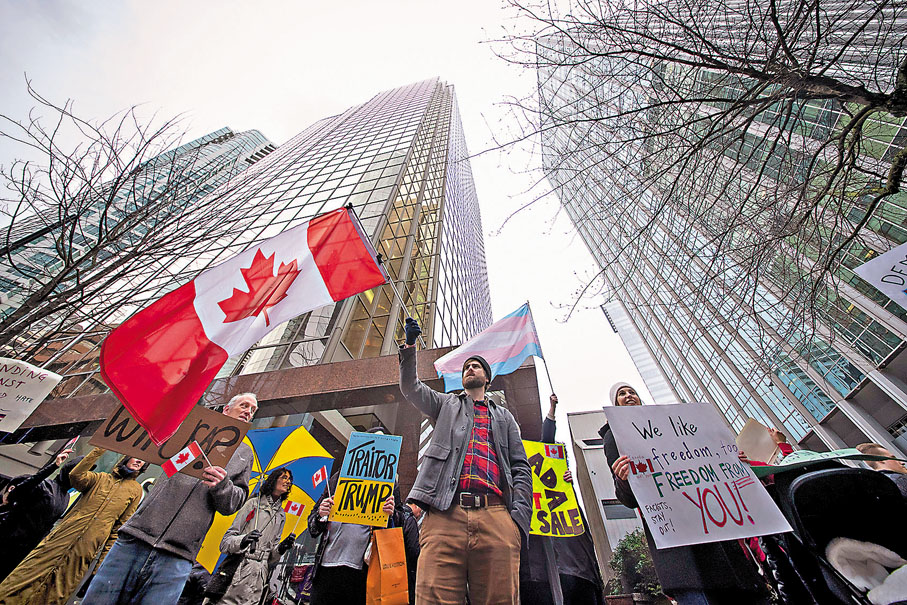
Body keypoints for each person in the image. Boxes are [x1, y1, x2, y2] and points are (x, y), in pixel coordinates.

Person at [398, 317, 532, 604]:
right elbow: (411, 388)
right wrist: (410, 348)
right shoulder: (446, 404)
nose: (469, 368)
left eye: (476, 366)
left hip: (497, 517)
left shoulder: (504, 417)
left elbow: (520, 467)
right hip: (445, 516)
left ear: (487, 377)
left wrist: (518, 520)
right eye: (466, 367)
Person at [599, 382, 769, 605]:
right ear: (614, 403)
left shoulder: (670, 426)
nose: (629, 395)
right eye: (622, 394)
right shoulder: (614, 438)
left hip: (715, 535)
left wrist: (731, 461)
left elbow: (706, 462)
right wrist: (622, 480)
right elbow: (629, 500)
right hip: (681, 550)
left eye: (632, 391)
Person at [83, 392, 258, 604]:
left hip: (178, 556)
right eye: (244, 405)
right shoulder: (192, 429)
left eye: (253, 410)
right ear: (226, 409)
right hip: (136, 537)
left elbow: (234, 504)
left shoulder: (244, 454)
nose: (248, 411)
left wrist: (222, 485)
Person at [0, 447, 146, 605]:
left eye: (143, 460)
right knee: (25, 576)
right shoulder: (100, 478)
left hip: (84, 551)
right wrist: (100, 449)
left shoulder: (135, 491)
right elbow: (76, 476)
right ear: (126, 458)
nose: (139, 461)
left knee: (57, 592)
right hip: (61, 539)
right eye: (136, 457)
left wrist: (98, 568)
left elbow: (117, 530)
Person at [306, 428, 420, 605]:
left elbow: (399, 522)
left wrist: (391, 514)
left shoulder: (390, 483)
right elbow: (312, 527)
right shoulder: (338, 478)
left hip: (364, 570)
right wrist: (322, 514)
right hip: (327, 568)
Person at [521, 394, 604, 605]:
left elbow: (547, 441)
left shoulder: (566, 488)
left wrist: (551, 411)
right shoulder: (521, 487)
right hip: (542, 566)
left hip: (576, 564)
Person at [207, 467, 297, 605]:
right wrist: (243, 540)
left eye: (290, 479)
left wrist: (282, 548)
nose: (288, 482)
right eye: (284, 477)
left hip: (259, 578)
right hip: (239, 571)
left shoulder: (281, 515)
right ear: (273, 480)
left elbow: (271, 557)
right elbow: (225, 543)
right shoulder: (252, 504)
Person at [0, 447, 78, 581]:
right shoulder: (46, 486)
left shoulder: (65, 497)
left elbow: (47, 526)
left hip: (22, 550)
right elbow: (18, 491)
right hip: (8, 540)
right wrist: (53, 466)